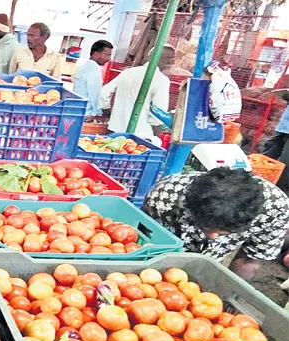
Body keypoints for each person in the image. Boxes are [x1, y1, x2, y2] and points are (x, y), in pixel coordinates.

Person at [144, 168, 289, 281]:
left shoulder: (275, 209)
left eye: (223, 232)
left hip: (208, 263)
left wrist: (230, 294)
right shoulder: (166, 195)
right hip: (162, 256)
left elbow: (249, 259)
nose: (212, 236)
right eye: (206, 227)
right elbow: (144, 234)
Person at [99, 45, 174, 140]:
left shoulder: (128, 72)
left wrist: (108, 112)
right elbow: (158, 114)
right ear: (167, 61)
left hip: (115, 130)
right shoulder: (161, 80)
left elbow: (104, 92)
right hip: (141, 135)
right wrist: (157, 137)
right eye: (171, 60)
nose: (173, 63)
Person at [262, 75, 289, 193]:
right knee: (268, 154)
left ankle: (278, 191)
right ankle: (258, 179)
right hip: (284, 126)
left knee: (285, 162)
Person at [73, 40, 113, 117]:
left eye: (109, 55)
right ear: (96, 54)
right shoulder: (94, 70)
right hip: (87, 113)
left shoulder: (83, 65)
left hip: (77, 109)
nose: (109, 58)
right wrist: (101, 112)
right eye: (107, 55)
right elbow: (95, 95)